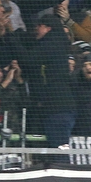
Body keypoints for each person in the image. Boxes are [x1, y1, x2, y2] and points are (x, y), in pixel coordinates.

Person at [27, 13, 76, 147]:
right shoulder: (59, 46)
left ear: (48, 28)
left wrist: (12, 38)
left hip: (57, 110)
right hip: (60, 109)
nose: (36, 29)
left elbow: (28, 60)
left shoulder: (50, 44)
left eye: (39, 26)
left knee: (59, 152)